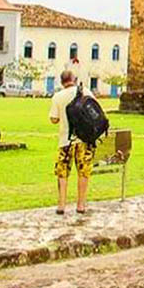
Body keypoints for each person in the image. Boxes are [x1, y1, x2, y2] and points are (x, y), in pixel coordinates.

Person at [48, 69, 95, 214]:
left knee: (62, 173)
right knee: (83, 172)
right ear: (74, 79)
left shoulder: (58, 97)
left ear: (62, 82)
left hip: (65, 141)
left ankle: (61, 204)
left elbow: (53, 119)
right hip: (84, 140)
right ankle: (81, 204)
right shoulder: (85, 92)